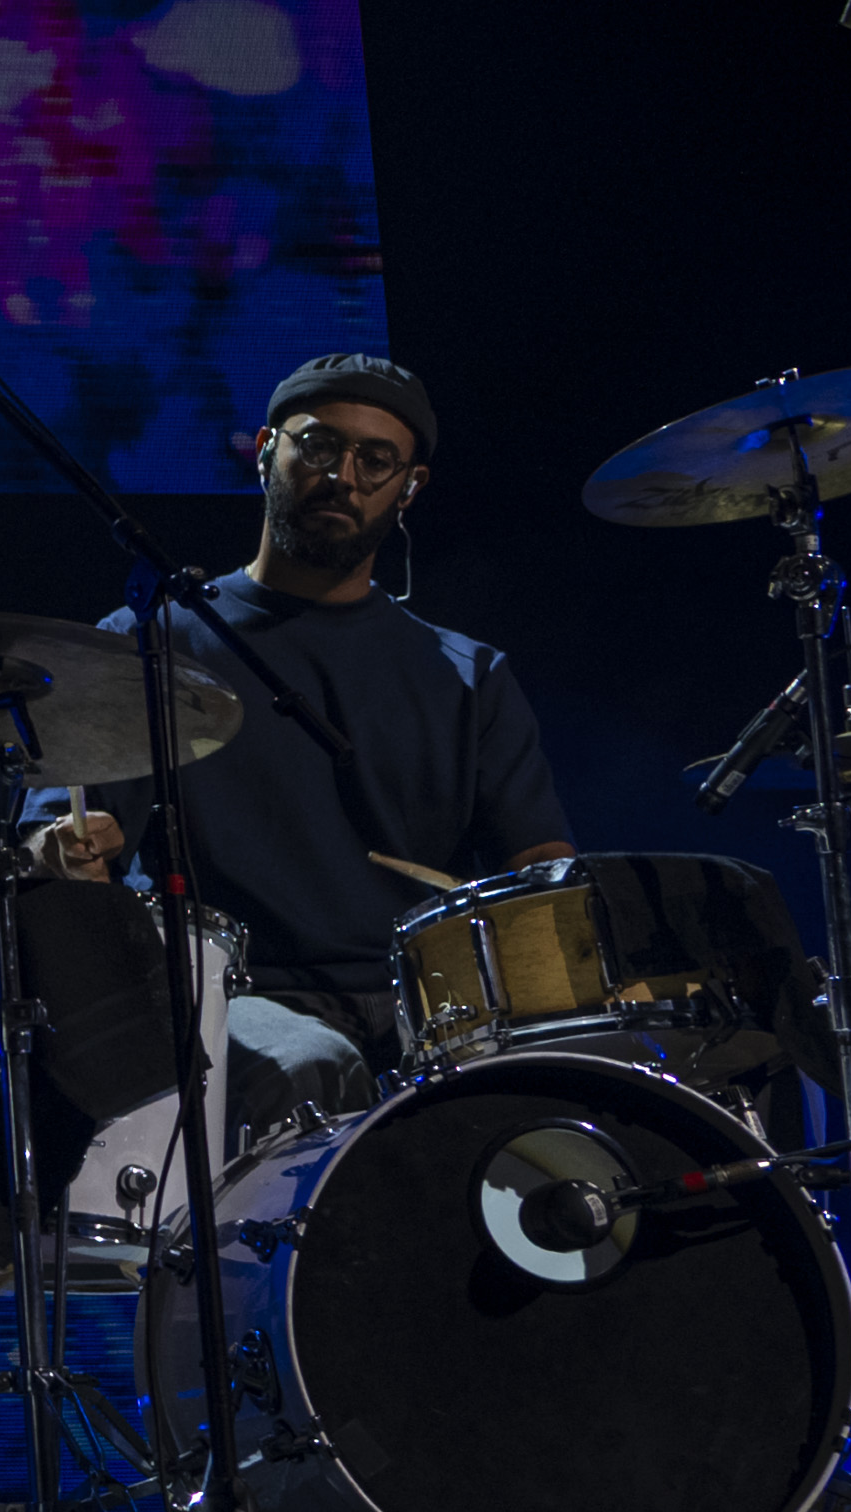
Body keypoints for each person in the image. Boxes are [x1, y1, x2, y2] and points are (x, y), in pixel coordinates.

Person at [30, 350, 567, 1124]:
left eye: (375, 460)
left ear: (410, 487)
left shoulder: (469, 676)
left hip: (432, 1006)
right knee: (312, 1064)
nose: (343, 476)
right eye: (318, 446)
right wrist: (63, 845)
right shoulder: (152, 642)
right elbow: (55, 830)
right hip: (233, 994)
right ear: (265, 452)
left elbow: (537, 867)